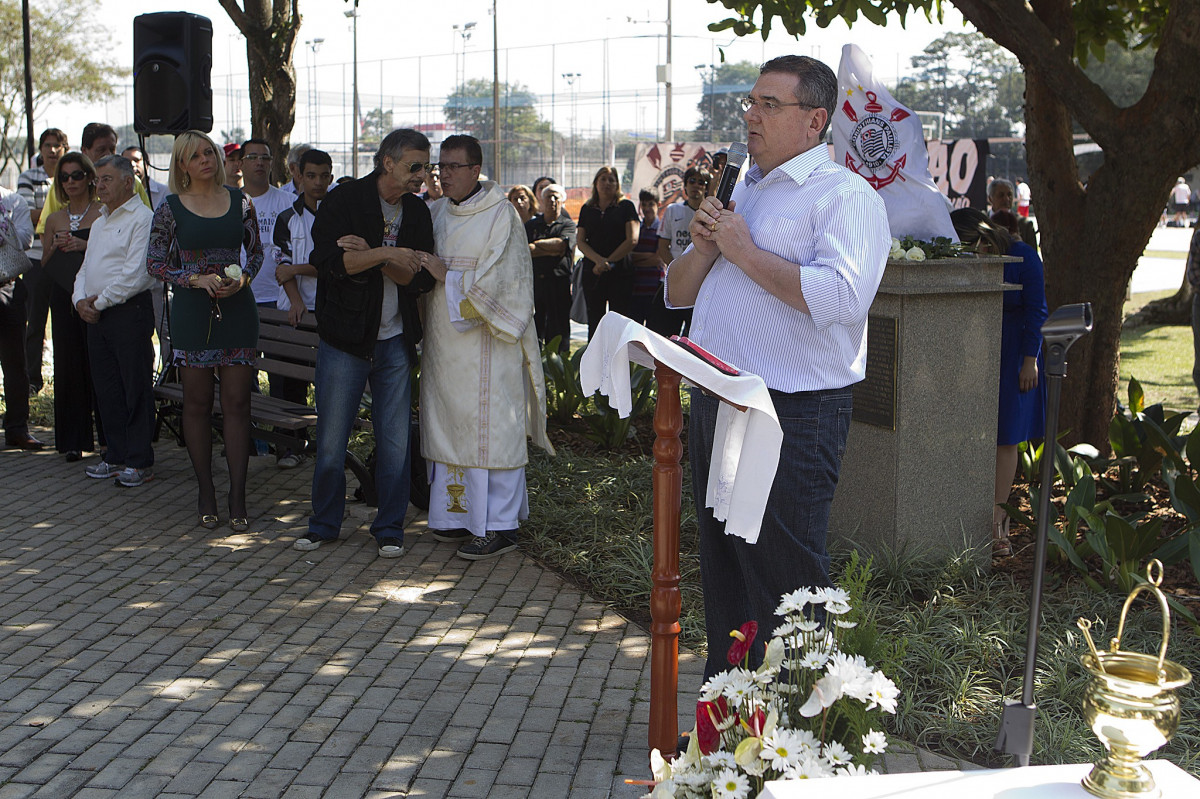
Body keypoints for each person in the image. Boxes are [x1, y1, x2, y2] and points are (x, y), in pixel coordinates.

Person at [665, 55, 889, 678]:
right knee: (728, 571)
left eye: (769, 104)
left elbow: (842, 300)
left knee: (787, 581)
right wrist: (708, 247)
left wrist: (743, 248)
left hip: (792, 412)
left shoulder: (845, 197)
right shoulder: (745, 190)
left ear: (815, 120)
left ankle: (797, 736)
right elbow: (678, 294)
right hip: (720, 401)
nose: (751, 115)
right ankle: (729, 732)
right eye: (751, 103)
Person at [295, 128, 435, 558]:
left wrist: (374, 255)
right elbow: (332, 263)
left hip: (395, 342)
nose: (422, 175)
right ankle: (324, 523)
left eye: (426, 167)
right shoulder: (345, 200)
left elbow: (420, 278)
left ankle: (390, 527)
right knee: (333, 440)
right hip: (345, 340)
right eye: (415, 166)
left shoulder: (417, 212)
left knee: (395, 442)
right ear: (387, 162)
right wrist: (389, 254)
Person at [420, 134, 553, 560]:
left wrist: (448, 277)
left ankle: (499, 525)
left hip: (490, 343)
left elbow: (511, 284)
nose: (444, 174)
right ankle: (454, 517)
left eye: (454, 167)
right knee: (450, 425)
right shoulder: (436, 211)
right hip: (445, 343)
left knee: (491, 430)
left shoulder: (501, 215)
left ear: (475, 169)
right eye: (441, 166)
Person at [145, 130, 263, 531]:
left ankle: (238, 494)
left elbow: (257, 253)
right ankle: (206, 490)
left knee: (238, 404)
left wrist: (243, 279)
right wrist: (194, 279)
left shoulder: (241, 201)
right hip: (193, 312)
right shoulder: (170, 208)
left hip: (238, 311)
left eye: (209, 152)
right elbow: (155, 263)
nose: (205, 160)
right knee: (195, 404)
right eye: (195, 156)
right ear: (182, 165)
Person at [951, 207, 1047, 558]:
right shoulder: (977, 258)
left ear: (984, 236)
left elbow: (1038, 310)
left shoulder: (1023, 256)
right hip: (985, 354)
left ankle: (998, 522)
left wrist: (1029, 361)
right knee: (981, 435)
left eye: (971, 245)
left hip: (1017, 356)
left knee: (1007, 438)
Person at [72, 155, 157, 486]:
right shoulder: (98, 222)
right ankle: (116, 455)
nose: (99, 185)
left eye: (105, 179)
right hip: (96, 314)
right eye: (98, 180)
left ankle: (139, 460)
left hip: (127, 312)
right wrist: (80, 300)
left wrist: (99, 302)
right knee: (107, 388)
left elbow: (136, 274)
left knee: (134, 386)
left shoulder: (142, 218)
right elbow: (84, 269)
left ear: (127, 181)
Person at [270, 148, 334, 468]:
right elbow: (281, 268)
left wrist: (298, 268)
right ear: (299, 176)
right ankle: (290, 447)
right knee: (287, 382)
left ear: (331, 177)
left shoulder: (338, 216)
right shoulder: (286, 218)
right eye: (311, 175)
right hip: (295, 311)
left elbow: (335, 266)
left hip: (330, 311)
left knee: (328, 382)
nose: (318, 182)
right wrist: (295, 297)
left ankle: (329, 447)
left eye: (324, 176)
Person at [42, 152, 104, 462]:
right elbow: (44, 264)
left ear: (90, 177)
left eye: (76, 175)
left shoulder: (104, 213)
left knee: (100, 364)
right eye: (64, 177)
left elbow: (113, 255)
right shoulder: (54, 218)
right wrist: (54, 246)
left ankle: (108, 438)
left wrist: (83, 244)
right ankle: (72, 440)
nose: (70, 182)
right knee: (68, 366)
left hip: (96, 296)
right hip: (63, 296)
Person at [18, 127, 67, 393]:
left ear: (65, 149)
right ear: (40, 149)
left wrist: (48, 216)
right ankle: (32, 380)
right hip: (36, 259)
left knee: (64, 323)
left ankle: (65, 381)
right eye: (47, 145)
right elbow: (27, 215)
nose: (52, 150)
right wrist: (62, 215)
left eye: (57, 145)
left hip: (66, 258)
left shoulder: (70, 177)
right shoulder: (28, 177)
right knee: (34, 322)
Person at [38, 124, 151, 237]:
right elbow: (45, 231)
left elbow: (149, 224)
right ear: (84, 151)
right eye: (101, 150)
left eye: (112, 149)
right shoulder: (66, 182)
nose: (108, 154)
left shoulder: (131, 181)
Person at [576, 166, 640, 339]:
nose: (607, 183)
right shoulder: (587, 209)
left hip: (620, 273)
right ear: (596, 183)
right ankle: (595, 364)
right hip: (594, 272)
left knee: (619, 322)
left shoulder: (626, 206)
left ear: (617, 184)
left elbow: (632, 239)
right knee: (595, 322)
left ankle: (619, 363)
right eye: (603, 179)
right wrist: (598, 261)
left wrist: (609, 262)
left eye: (611, 180)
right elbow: (580, 241)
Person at [0, 184, 39, 449]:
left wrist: (3, 229)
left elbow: (27, 239)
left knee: (15, 363)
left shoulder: (13, 200)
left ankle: (16, 428)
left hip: (8, 286)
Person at [652, 166, 709, 336]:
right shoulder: (673, 211)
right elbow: (662, 245)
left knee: (693, 339)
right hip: (675, 282)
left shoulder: (712, 214)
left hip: (701, 287)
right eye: (692, 181)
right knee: (665, 335)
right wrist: (678, 270)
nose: (696, 185)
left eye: (701, 182)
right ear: (685, 185)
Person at [525, 182, 576, 351]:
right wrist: (549, 249)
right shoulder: (531, 225)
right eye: (548, 196)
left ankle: (559, 367)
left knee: (559, 328)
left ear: (562, 201)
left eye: (556, 197)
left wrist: (536, 245)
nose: (552, 200)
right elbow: (524, 250)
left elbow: (561, 246)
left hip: (559, 283)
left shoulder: (568, 225)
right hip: (536, 283)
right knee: (536, 327)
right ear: (541, 199)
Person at [629, 188, 664, 327]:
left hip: (654, 288)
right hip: (636, 287)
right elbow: (628, 258)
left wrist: (637, 258)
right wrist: (648, 256)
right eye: (644, 204)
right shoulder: (637, 229)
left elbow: (658, 258)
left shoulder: (662, 228)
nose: (647, 208)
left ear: (658, 204)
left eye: (651, 204)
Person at [988, 178, 1037, 252]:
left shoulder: (1025, 225)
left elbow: (1032, 256)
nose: (1006, 199)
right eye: (1001, 195)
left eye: (1009, 195)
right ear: (990, 199)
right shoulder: (981, 222)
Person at [122, 146, 169, 210]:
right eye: (127, 162)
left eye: (136, 160)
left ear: (147, 162)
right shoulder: (118, 195)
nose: (132, 164)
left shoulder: (164, 192)